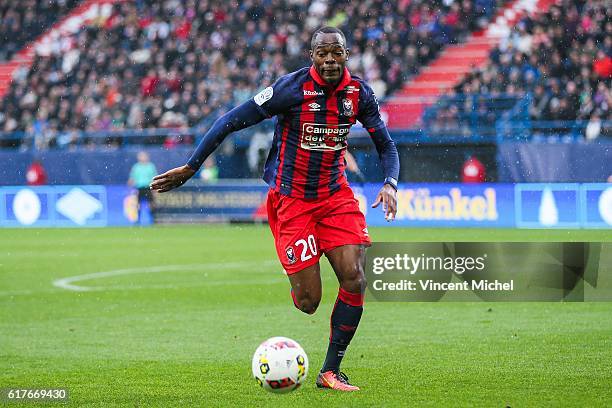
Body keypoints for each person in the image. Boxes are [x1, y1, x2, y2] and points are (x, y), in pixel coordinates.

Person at [150, 27, 399, 392]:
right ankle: (296, 261)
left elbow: (386, 146)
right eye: (322, 54)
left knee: (355, 276)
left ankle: (331, 371)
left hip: (335, 196)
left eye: (336, 53)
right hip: (291, 201)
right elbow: (229, 121)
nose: (329, 60)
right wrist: (191, 166)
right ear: (311, 56)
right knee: (308, 302)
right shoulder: (290, 89)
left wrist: (390, 184)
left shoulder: (359, 93)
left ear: (347, 55)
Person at [128, 151, 158, 222]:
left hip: (148, 187)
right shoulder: (136, 167)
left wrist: (155, 189)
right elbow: (132, 179)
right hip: (139, 188)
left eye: (143, 156)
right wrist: (131, 188)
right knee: (138, 204)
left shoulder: (151, 166)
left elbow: (154, 178)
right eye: (140, 156)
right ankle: (138, 220)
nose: (142, 158)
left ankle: (153, 219)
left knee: (151, 204)